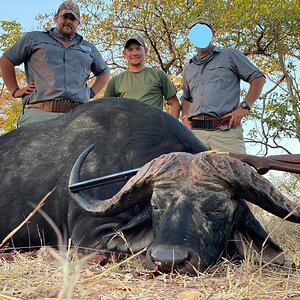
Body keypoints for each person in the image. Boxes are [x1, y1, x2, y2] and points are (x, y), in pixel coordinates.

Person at [0, 1, 110, 127]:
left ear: (78, 23)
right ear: (56, 17)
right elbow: (6, 60)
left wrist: (91, 93)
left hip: (79, 116)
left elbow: (104, 72)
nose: (68, 21)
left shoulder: (89, 48)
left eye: (73, 19)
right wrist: (15, 91)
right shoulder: (34, 38)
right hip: (39, 113)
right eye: (65, 16)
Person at [181, 16, 266, 153]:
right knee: (188, 173)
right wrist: (185, 118)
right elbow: (186, 98)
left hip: (226, 133)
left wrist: (244, 107)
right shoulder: (188, 68)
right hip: (196, 135)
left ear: (213, 34)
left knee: (237, 173)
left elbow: (258, 78)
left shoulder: (230, 55)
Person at [104, 35, 180, 118]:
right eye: (130, 50)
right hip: (127, 129)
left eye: (138, 48)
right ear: (124, 54)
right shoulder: (116, 80)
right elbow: (105, 108)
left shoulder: (159, 75)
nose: (135, 53)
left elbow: (175, 103)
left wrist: (169, 128)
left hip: (154, 128)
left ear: (146, 51)